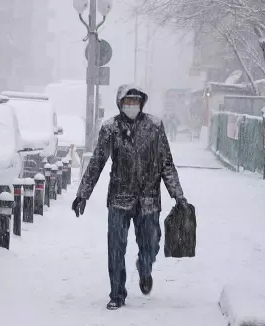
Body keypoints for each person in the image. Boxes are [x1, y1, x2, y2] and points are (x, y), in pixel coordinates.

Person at [71, 85, 188, 310]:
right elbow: (97, 162)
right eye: (128, 102)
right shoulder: (110, 129)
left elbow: (166, 163)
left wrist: (178, 195)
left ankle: (145, 268)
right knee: (115, 248)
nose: (131, 105)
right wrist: (82, 194)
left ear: (142, 103)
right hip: (119, 198)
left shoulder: (154, 127)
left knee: (151, 244)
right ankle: (117, 293)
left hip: (148, 200)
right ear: (120, 103)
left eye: (135, 101)